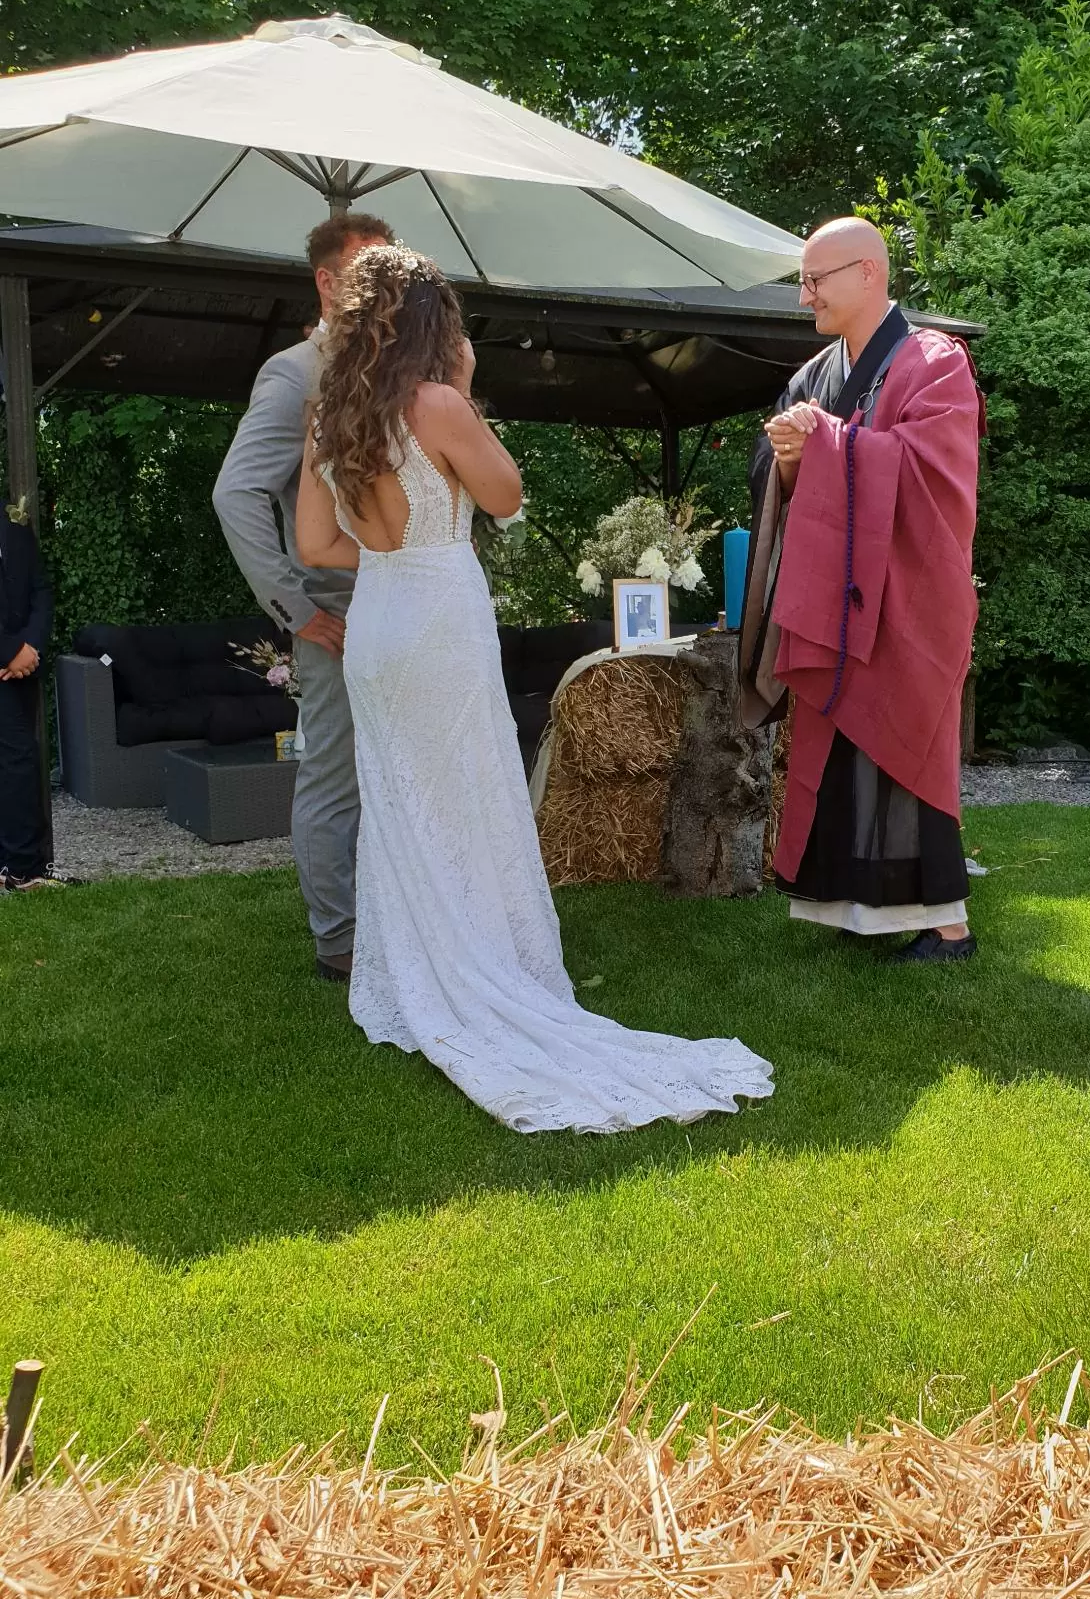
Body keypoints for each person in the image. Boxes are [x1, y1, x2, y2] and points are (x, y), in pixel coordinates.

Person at [294, 243, 772, 1132]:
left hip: (378, 626)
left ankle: (420, 970)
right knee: (471, 794)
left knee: (403, 805)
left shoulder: (330, 416)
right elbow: (507, 495)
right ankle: (486, 970)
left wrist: (384, 546)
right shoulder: (436, 403)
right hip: (438, 619)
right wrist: (466, 387)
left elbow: (318, 547)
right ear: (434, 327)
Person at [738, 217, 982, 962]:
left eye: (818, 278)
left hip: (903, 595)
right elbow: (778, 483)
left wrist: (831, 444)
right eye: (803, 280)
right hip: (834, 598)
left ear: (870, 273)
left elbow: (934, 473)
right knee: (839, 752)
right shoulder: (813, 376)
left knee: (906, 743)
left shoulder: (932, 361)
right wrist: (786, 461)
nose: (805, 293)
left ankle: (948, 926)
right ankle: (855, 906)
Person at [214, 211, 395, 982]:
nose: (386, 284)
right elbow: (236, 494)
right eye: (367, 269)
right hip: (336, 609)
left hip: (406, 599)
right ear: (326, 281)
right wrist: (297, 608)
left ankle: (398, 919)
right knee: (333, 773)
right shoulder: (295, 373)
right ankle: (339, 943)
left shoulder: (400, 367)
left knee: (399, 768)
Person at [0, 507, 57, 893]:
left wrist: (30, 648)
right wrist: (8, 652)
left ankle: (22, 869)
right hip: (6, 663)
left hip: (15, 670)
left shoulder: (16, 532)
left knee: (20, 763)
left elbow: (41, 592)